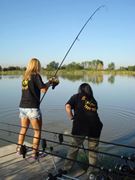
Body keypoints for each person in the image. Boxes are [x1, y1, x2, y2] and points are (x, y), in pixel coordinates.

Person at [16, 58, 59, 159]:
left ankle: (19, 149)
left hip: (22, 107)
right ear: (36, 66)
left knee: (23, 129)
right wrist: (50, 81)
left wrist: (47, 83)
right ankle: (35, 154)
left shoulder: (25, 77)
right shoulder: (36, 75)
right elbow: (43, 89)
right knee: (37, 131)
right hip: (32, 108)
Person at [63, 83, 103, 179]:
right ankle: (92, 172)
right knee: (93, 151)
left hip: (80, 126)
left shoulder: (76, 96)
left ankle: (66, 168)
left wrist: (72, 117)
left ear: (80, 90)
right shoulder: (94, 100)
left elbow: (67, 107)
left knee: (74, 148)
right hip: (96, 126)